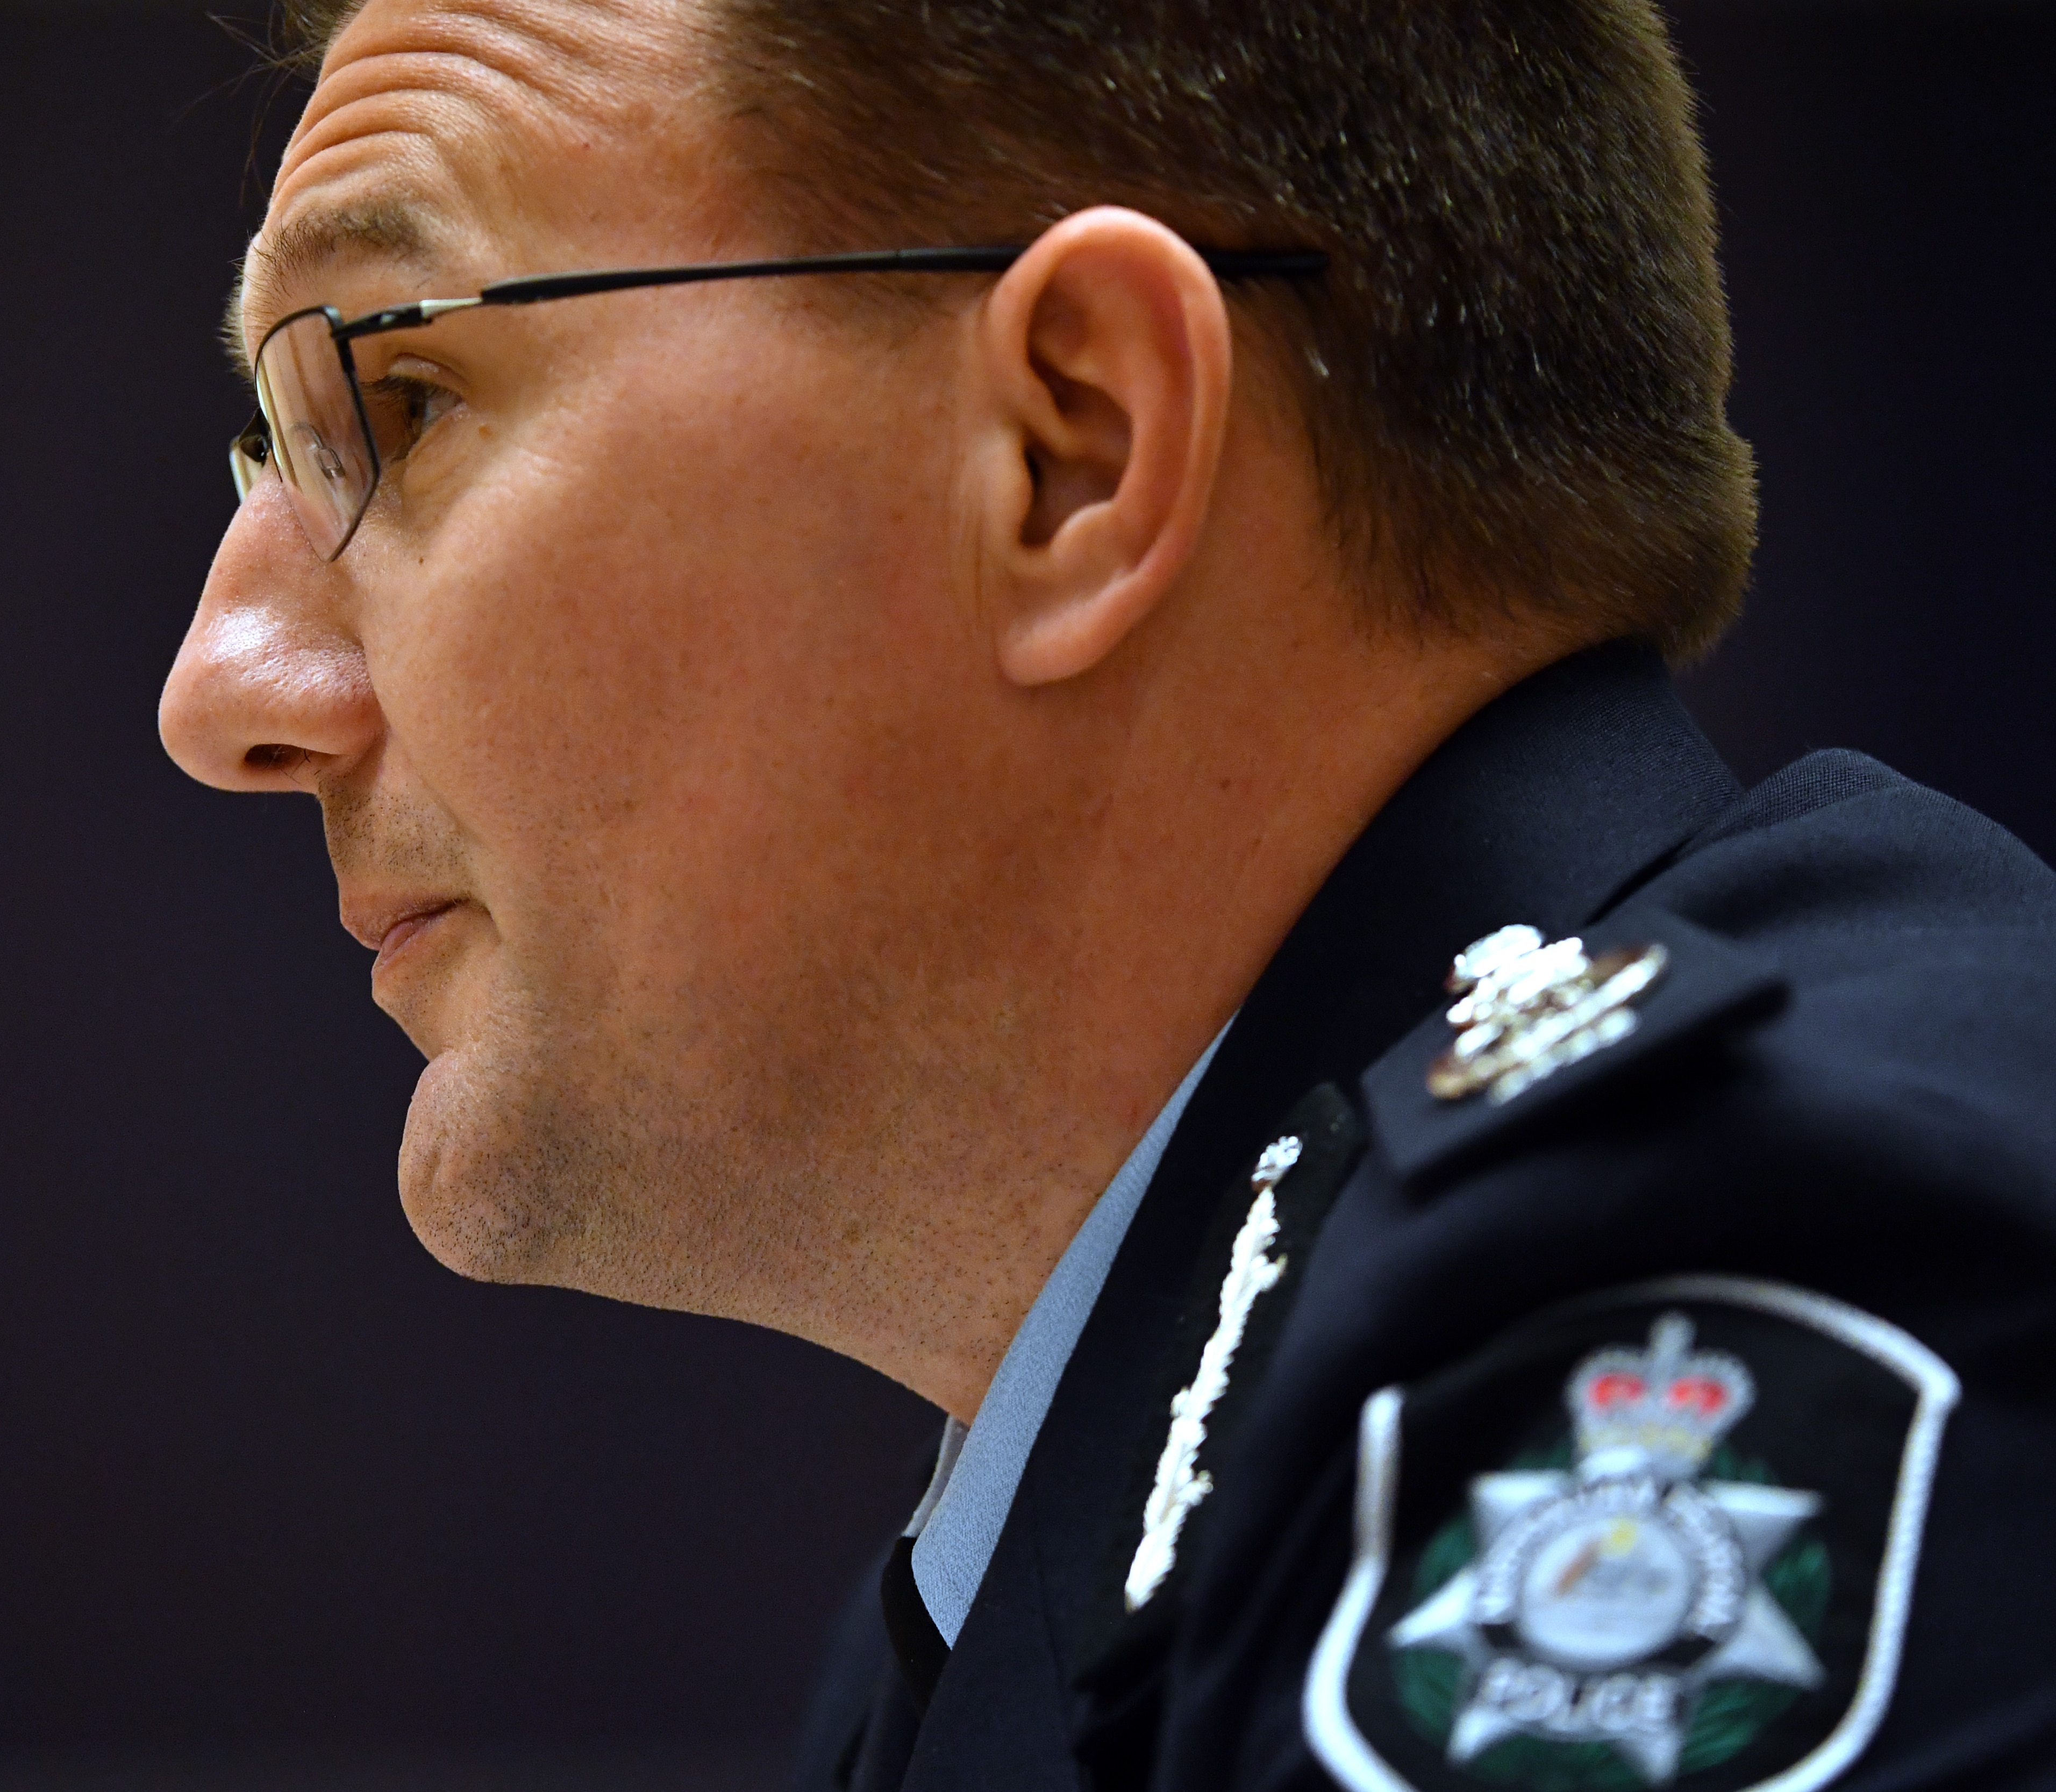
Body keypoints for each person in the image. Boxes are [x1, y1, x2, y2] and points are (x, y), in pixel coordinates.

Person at [156, 0, 2056, 1786]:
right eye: (270, 445)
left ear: (1078, 448)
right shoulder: (1089, 1518)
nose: (220, 692)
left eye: (398, 400)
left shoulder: (1739, 1302)